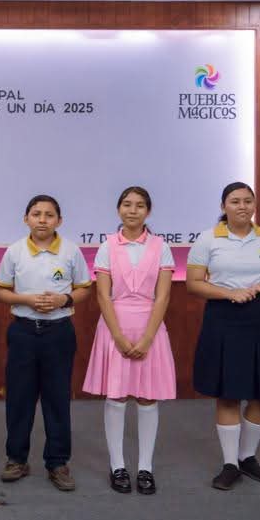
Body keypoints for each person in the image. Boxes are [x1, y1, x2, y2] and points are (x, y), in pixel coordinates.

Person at [186, 181, 260, 491]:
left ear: (254, 205)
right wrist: (229, 293)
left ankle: (248, 457)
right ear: (223, 206)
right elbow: (194, 282)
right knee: (229, 392)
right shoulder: (207, 238)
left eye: (248, 201)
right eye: (235, 201)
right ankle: (230, 463)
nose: (242, 206)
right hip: (223, 316)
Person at [0, 194, 92, 492]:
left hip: (58, 333)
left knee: (57, 399)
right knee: (19, 398)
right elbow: (0, 292)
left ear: (59, 221)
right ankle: (16, 459)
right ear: (26, 219)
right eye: (36, 214)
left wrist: (65, 299)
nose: (42, 220)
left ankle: (57, 462)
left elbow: (84, 289)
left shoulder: (71, 251)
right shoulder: (15, 251)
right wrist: (26, 300)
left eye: (49, 215)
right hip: (23, 332)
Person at [82, 186, 176, 495]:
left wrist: (148, 338)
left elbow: (163, 296)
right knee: (116, 397)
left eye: (139, 205)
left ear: (148, 211)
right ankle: (117, 466)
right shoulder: (107, 245)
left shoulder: (161, 246)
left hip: (150, 328)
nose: (132, 210)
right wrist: (119, 337)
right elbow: (102, 295)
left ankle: (145, 467)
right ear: (118, 209)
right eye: (126, 204)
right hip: (115, 328)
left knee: (148, 398)